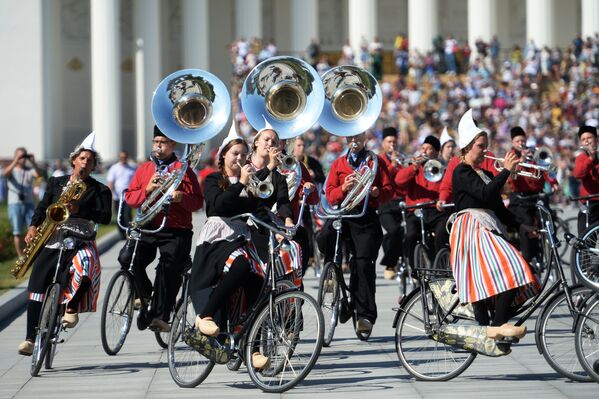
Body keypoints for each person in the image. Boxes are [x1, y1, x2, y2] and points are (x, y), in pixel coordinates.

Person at [189, 128, 277, 369]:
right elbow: (220, 206)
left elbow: (260, 209)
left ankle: (254, 347)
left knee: (259, 282)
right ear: (223, 156)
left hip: (240, 238)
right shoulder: (214, 180)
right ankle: (205, 315)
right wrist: (241, 183)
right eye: (235, 153)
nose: (239, 158)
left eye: (243, 154)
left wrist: (282, 229)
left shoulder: (250, 182)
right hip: (217, 240)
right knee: (240, 264)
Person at [18, 132, 112, 355]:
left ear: (93, 166)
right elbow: (43, 207)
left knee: (88, 264)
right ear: (73, 161)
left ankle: (71, 307)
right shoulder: (56, 182)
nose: (85, 163)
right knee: (38, 284)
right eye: (82, 159)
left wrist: (81, 210)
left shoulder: (101, 190)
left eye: (90, 161)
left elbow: (106, 217)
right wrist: (33, 227)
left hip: (81, 235)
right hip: (53, 236)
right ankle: (30, 338)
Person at [450, 110, 537, 338]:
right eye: (480, 145)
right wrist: (506, 171)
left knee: (514, 272)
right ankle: (497, 327)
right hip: (471, 228)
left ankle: (496, 327)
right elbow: (486, 194)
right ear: (468, 147)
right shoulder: (461, 171)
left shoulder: (484, 172)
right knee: (513, 265)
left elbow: (497, 205)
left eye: (485, 145)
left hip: (486, 226)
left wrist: (521, 226)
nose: (485, 150)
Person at [125, 125, 203, 332]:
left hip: (176, 229)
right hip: (148, 226)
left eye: (163, 143)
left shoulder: (183, 169)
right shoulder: (144, 169)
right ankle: (146, 295)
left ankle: (160, 317)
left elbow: (197, 203)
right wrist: (148, 189)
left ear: (172, 145)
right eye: (156, 142)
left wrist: (181, 198)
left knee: (168, 269)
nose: (158, 147)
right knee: (128, 259)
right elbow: (130, 198)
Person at [317, 133, 393, 336]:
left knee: (362, 264)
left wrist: (377, 192)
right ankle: (333, 274)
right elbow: (329, 196)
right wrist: (343, 187)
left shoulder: (376, 162)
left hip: (365, 216)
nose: (354, 140)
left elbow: (389, 191)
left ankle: (365, 315)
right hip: (343, 214)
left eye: (357, 136)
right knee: (324, 237)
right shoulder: (338, 164)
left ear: (364, 137)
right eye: (350, 136)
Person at [507, 126, 559, 264]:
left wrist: (553, 182)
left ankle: (552, 241)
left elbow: (546, 168)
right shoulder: (511, 157)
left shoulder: (535, 151)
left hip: (537, 195)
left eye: (522, 140)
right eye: (518, 141)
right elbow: (512, 177)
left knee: (549, 217)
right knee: (527, 223)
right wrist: (522, 160)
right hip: (520, 199)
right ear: (513, 143)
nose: (521, 143)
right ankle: (529, 257)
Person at [395, 135, 446, 269]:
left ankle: (440, 264)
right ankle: (413, 268)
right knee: (410, 235)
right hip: (415, 210)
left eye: (429, 149)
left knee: (442, 232)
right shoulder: (413, 168)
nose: (424, 151)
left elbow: (447, 188)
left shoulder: (441, 168)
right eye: (423, 148)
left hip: (435, 210)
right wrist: (413, 168)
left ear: (436, 152)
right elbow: (398, 181)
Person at [377, 127, 406, 280]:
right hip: (385, 204)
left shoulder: (403, 159)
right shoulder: (379, 160)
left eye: (394, 141)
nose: (392, 145)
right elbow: (382, 178)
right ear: (383, 143)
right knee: (394, 230)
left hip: (401, 202)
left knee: (406, 232)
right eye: (389, 142)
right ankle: (390, 264)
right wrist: (392, 165)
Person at [3, 147, 42, 258]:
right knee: (17, 231)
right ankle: (21, 256)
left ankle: (32, 254)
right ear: (15, 156)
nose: (22, 159)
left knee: (33, 228)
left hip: (28, 203)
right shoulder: (12, 169)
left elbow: (39, 175)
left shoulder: (29, 170)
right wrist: (15, 160)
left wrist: (33, 162)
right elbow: (5, 173)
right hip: (15, 203)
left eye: (24, 156)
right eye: (20, 156)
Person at [573, 125, 599, 234]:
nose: (586, 141)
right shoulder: (581, 158)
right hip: (589, 202)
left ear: (596, 139)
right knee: (584, 239)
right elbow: (578, 174)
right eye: (583, 139)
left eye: (589, 138)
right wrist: (590, 159)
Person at [106, 150, 136, 239]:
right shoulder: (114, 168)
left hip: (128, 196)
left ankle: (129, 232)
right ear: (119, 158)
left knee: (127, 215)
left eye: (125, 157)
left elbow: (135, 181)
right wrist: (110, 194)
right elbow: (111, 182)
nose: (123, 159)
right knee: (120, 216)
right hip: (117, 196)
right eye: (122, 157)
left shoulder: (132, 168)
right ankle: (122, 234)